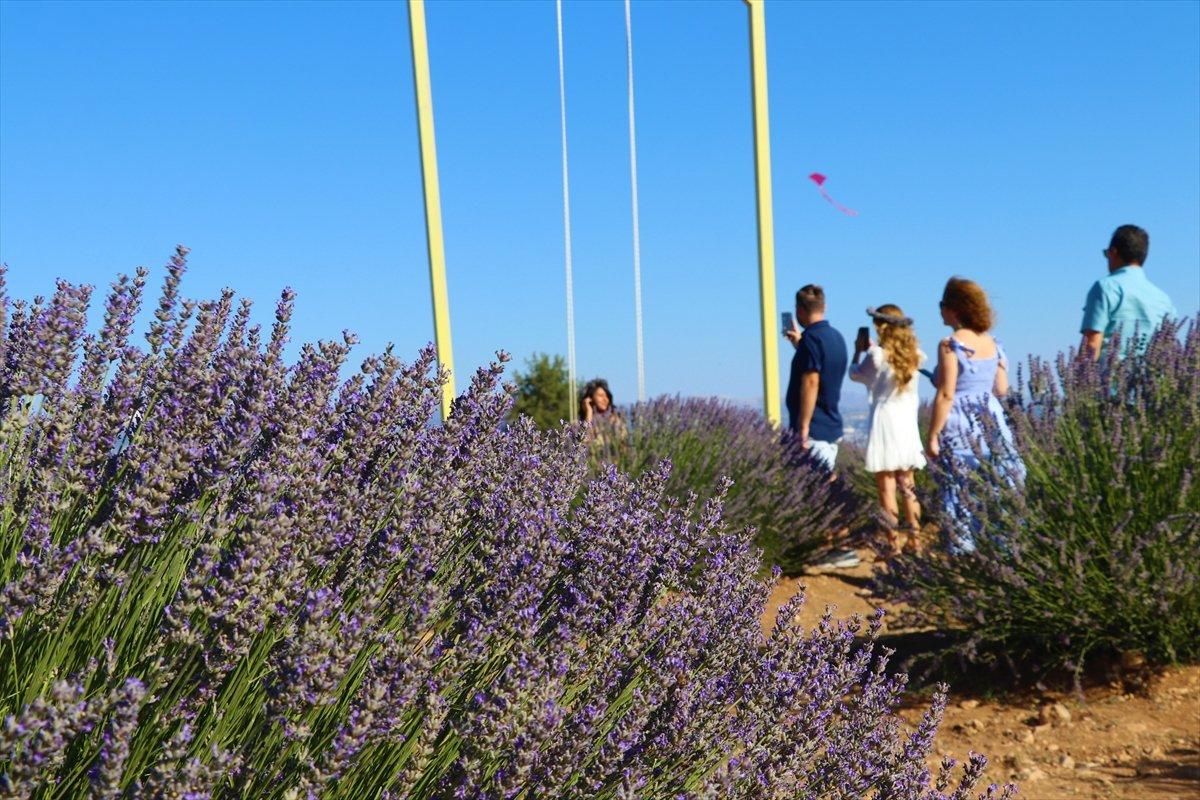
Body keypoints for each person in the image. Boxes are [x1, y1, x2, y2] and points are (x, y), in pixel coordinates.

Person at [925, 277, 1022, 552]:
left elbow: (946, 394)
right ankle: (999, 549)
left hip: (959, 421)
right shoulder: (993, 342)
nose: (940, 311)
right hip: (990, 419)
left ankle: (963, 551)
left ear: (954, 308)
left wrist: (932, 436)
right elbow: (1001, 389)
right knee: (995, 485)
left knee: (959, 488)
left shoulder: (950, 344)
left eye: (942, 305)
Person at [783, 284, 854, 567]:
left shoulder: (812, 340)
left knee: (818, 490)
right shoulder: (834, 337)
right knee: (826, 485)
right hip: (830, 423)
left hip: (814, 427)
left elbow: (812, 381)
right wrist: (799, 345)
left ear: (800, 311)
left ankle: (837, 547)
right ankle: (836, 545)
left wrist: (803, 427)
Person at [849, 304, 927, 556]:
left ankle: (893, 543)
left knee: (887, 487)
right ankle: (915, 539)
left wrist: (857, 351)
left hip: (885, 420)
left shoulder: (876, 355)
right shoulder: (916, 355)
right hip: (906, 421)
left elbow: (855, 375)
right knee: (908, 485)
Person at [1081, 224, 1177, 359]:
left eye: (1106, 254)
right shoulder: (1164, 300)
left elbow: (1091, 345)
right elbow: (1168, 352)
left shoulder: (1105, 287)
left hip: (1110, 371)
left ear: (1113, 252)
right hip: (1151, 372)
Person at [580, 378, 626, 450]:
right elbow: (583, 443)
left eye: (607, 396)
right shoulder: (581, 422)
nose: (605, 399)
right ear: (590, 398)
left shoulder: (615, 420)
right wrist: (589, 412)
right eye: (601, 395)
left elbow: (622, 442)